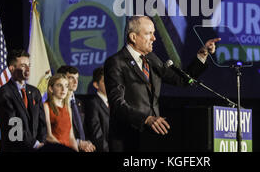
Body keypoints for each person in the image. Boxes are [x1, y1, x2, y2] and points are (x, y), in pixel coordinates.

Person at [104, 15, 220, 152]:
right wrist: (146, 119)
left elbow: (181, 80)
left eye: (154, 33)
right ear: (133, 37)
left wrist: (202, 55)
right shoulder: (116, 62)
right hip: (126, 139)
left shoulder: (152, 59)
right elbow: (117, 104)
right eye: (149, 34)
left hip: (151, 138)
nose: (154, 38)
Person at [0, 49, 46, 151]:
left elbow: (42, 122)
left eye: (29, 65)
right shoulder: (4, 92)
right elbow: (13, 126)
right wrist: (35, 144)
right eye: (23, 66)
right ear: (12, 68)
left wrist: (41, 143)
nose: (28, 69)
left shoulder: (35, 92)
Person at [56, 65, 96, 152]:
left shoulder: (79, 102)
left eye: (77, 78)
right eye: (71, 78)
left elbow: (84, 128)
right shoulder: (56, 103)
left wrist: (87, 142)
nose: (75, 81)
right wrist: (78, 142)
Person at [43, 73, 78, 151]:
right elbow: (48, 136)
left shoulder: (68, 108)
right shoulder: (46, 106)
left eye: (66, 86)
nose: (63, 89)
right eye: (59, 85)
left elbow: (71, 136)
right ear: (51, 89)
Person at [85, 67, 110, 152]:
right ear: (96, 85)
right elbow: (97, 134)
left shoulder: (116, 102)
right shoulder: (93, 104)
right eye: (104, 81)